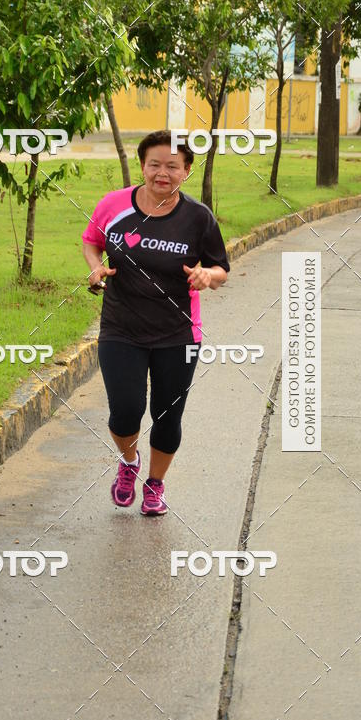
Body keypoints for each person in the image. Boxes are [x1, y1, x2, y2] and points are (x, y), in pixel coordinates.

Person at [81, 130, 230, 516]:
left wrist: (206, 277)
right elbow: (91, 240)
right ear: (142, 165)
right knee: (125, 411)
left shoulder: (199, 218)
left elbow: (221, 269)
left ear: (186, 171)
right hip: (121, 328)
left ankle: (156, 484)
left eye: (172, 166)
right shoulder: (114, 205)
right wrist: (97, 267)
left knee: (167, 415)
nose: (162, 173)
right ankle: (129, 462)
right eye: (154, 164)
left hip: (178, 333)